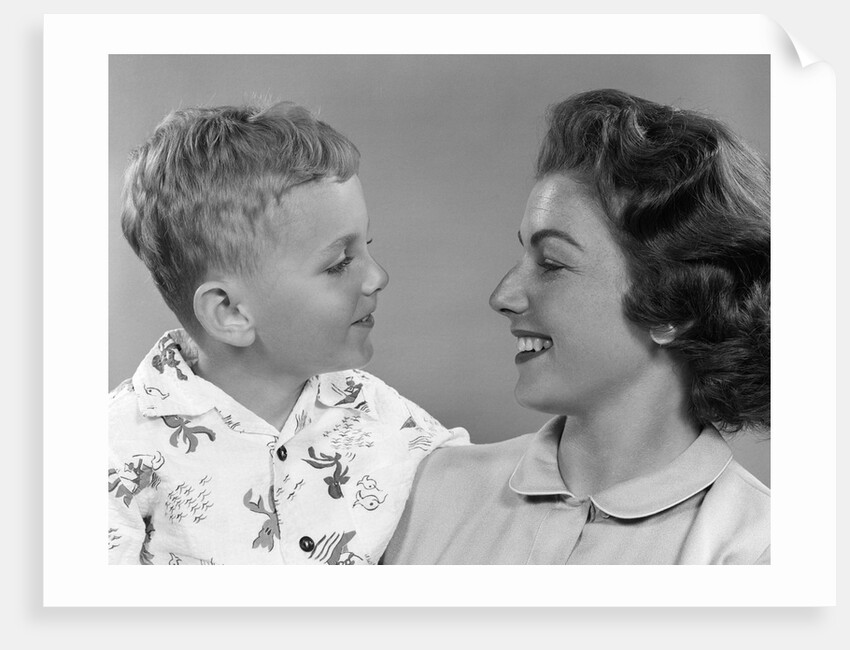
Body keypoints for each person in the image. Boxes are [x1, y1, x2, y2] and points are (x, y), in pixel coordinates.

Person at [383, 89, 770, 565]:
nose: (502, 297)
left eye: (551, 263)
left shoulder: (760, 553)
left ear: (676, 308)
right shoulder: (423, 492)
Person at [108, 102, 468, 565]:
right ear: (230, 311)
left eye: (367, 248)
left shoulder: (389, 420)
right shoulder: (115, 449)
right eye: (338, 263)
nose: (377, 277)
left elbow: (486, 499)